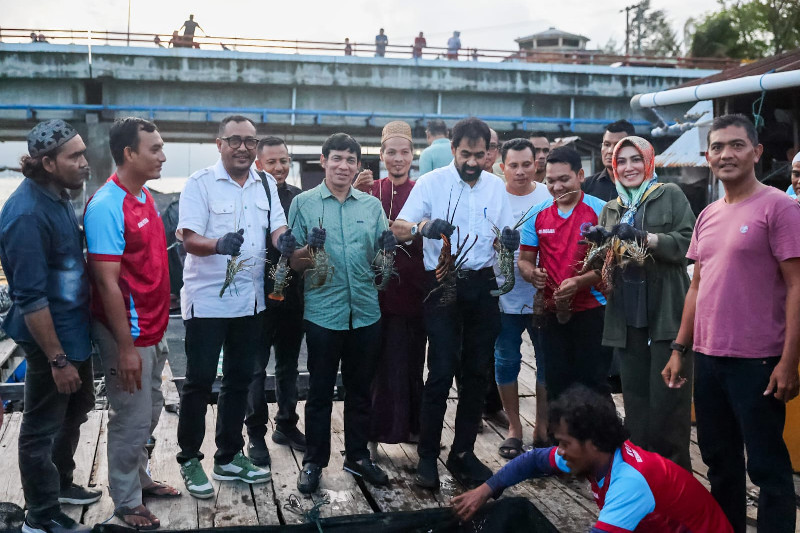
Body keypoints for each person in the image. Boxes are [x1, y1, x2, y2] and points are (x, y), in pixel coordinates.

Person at [663, 114, 800, 533]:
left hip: (758, 361)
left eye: (737, 145)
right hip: (708, 359)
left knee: (766, 466)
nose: (726, 154)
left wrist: (788, 362)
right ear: (707, 157)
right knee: (719, 462)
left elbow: (797, 287)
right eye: (718, 147)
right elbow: (696, 288)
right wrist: (679, 349)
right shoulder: (707, 214)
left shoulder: (781, 207)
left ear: (756, 152)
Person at [393, 118, 518, 490]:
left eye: (480, 155)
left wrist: (508, 241)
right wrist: (422, 228)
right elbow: (398, 225)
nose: (473, 162)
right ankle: (428, 456)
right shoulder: (431, 183)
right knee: (441, 371)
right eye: (466, 154)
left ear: (489, 153)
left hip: (483, 285)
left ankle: (463, 453)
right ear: (452, 150)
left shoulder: (497, 187)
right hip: (443, 283)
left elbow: (504, 233)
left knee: (477, 375)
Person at [176, 116, 287, 498]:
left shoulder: (267, 184)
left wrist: (287, 241)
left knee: (240, 379)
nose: (243, 148)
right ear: (219, 143)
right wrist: (218, 244)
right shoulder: (199, 183)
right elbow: (189, 238)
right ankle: (189, 457)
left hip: (251, 299)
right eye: (235, 140)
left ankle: (227, 456)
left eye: (250, 142)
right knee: (199, 381)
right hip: (207, 300)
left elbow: (277, 229)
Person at [452, 386, 734, 533]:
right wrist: (485, 490)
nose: (558, 451)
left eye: (564, 443)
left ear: (593, 442)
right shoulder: (598, 455)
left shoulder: (630, 482)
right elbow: (533, 460)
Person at [1, 120, 99, 533]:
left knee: (76, 410)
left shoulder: (58, 194)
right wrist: (58, 360)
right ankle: (40, 516)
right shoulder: (25, 215)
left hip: (73, 333)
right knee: (39, 430)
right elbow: (30, 298)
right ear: (47, 162)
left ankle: (61, 484)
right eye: (74, 156)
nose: (85, 163)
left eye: (83, 152)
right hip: (49, 342)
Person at [288, 133, 396, 494]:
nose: (343, 166)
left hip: (366, 311)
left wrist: (388, 251)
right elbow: (295, 263)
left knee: (361, 389)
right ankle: (314, 461)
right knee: (318, 391)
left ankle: (358, 456)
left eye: (351, 160)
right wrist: (309, 249)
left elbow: (383, 259)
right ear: (323, 161)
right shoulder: (303, 204)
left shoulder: (371, 207)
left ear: (358, 167)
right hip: (322, 313)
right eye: (337, 159)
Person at [84, 118, 176, 529]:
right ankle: (125, 500)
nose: (162, 155)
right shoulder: (107, 205)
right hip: (130, 333)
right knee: (130, 416)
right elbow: (106, 282)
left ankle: (139, 478)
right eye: (154, 148)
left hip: (154, 328)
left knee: (151, 409)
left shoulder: (143, 198)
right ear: (129, 154)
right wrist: (124, 348)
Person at [587, 136, 695, 470]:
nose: (629, 167)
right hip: (627, 319)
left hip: (666, 318)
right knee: (635, 408)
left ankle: (678, 488)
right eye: (622, 161)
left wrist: (645, 238)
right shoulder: (611, 208)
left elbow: (688, 243)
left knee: (669, 409)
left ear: (648, 162)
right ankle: (644, 484)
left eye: (636, 159)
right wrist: (596, 247)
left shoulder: (670, 195)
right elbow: (601, 268)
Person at [354, 122, 426, 451]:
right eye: (391, 152)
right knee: (375, 366)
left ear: (413, 155)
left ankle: (413, 428)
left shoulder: (423, 190)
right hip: (373, 292)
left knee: (411, 363)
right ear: (381, 155)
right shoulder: (368, 190)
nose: (398, 159)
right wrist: (354, 190)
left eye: (405, 152)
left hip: (414, 290)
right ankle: (371, 437)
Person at [517, 147, 611, 401]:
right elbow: (524, 260)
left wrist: (580, 282)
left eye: (564, 179)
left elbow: (610, 264)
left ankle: (601, 440)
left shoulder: (602, 211)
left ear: (580, 175)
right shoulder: (536, 214)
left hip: (593, 308)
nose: (557, 187)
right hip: (550, 310)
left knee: (594, 380)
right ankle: (559, 440)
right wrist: (531, 274)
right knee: (556, 380)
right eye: (550, 181)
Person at [245, 137, 306, 459]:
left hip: (292, 296)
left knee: (288, 366)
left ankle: (286, 423)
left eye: (284, 161)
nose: (279, 167)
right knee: (255, 369)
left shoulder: (298, 198)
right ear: (258, 165)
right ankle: (255, 434)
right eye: (272, 162)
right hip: (257, 297)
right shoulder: (251, 196)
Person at [493, 139, 552, 459]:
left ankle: (542, 428)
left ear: (536, 164)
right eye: (513, 165)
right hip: (503, 296)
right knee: (505, 360)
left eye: (526, 164)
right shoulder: (491, 195)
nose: (519, 171)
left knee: (546, 361)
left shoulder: (546, 195)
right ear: (502, 167)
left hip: (543, 294)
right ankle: (514, 428)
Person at [582, 120, 636, 201]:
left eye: (618, 145)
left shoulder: (643, 187)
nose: (610, 151)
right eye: (607, 144)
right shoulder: (586, 186)